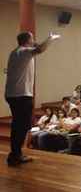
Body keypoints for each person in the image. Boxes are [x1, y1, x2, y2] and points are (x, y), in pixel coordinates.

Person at [5, 31, 58, 166]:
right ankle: (16, 155)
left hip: (13, 94)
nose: (34, 40)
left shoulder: (16, 52)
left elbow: (36, 47)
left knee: (19, 125)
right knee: (22, 126)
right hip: (21, 95)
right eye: (32, 38)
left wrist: (36, 43)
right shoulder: (24, 51)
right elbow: (40, 49)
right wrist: (50, 38)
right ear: (27, 41)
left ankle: (15, 154)